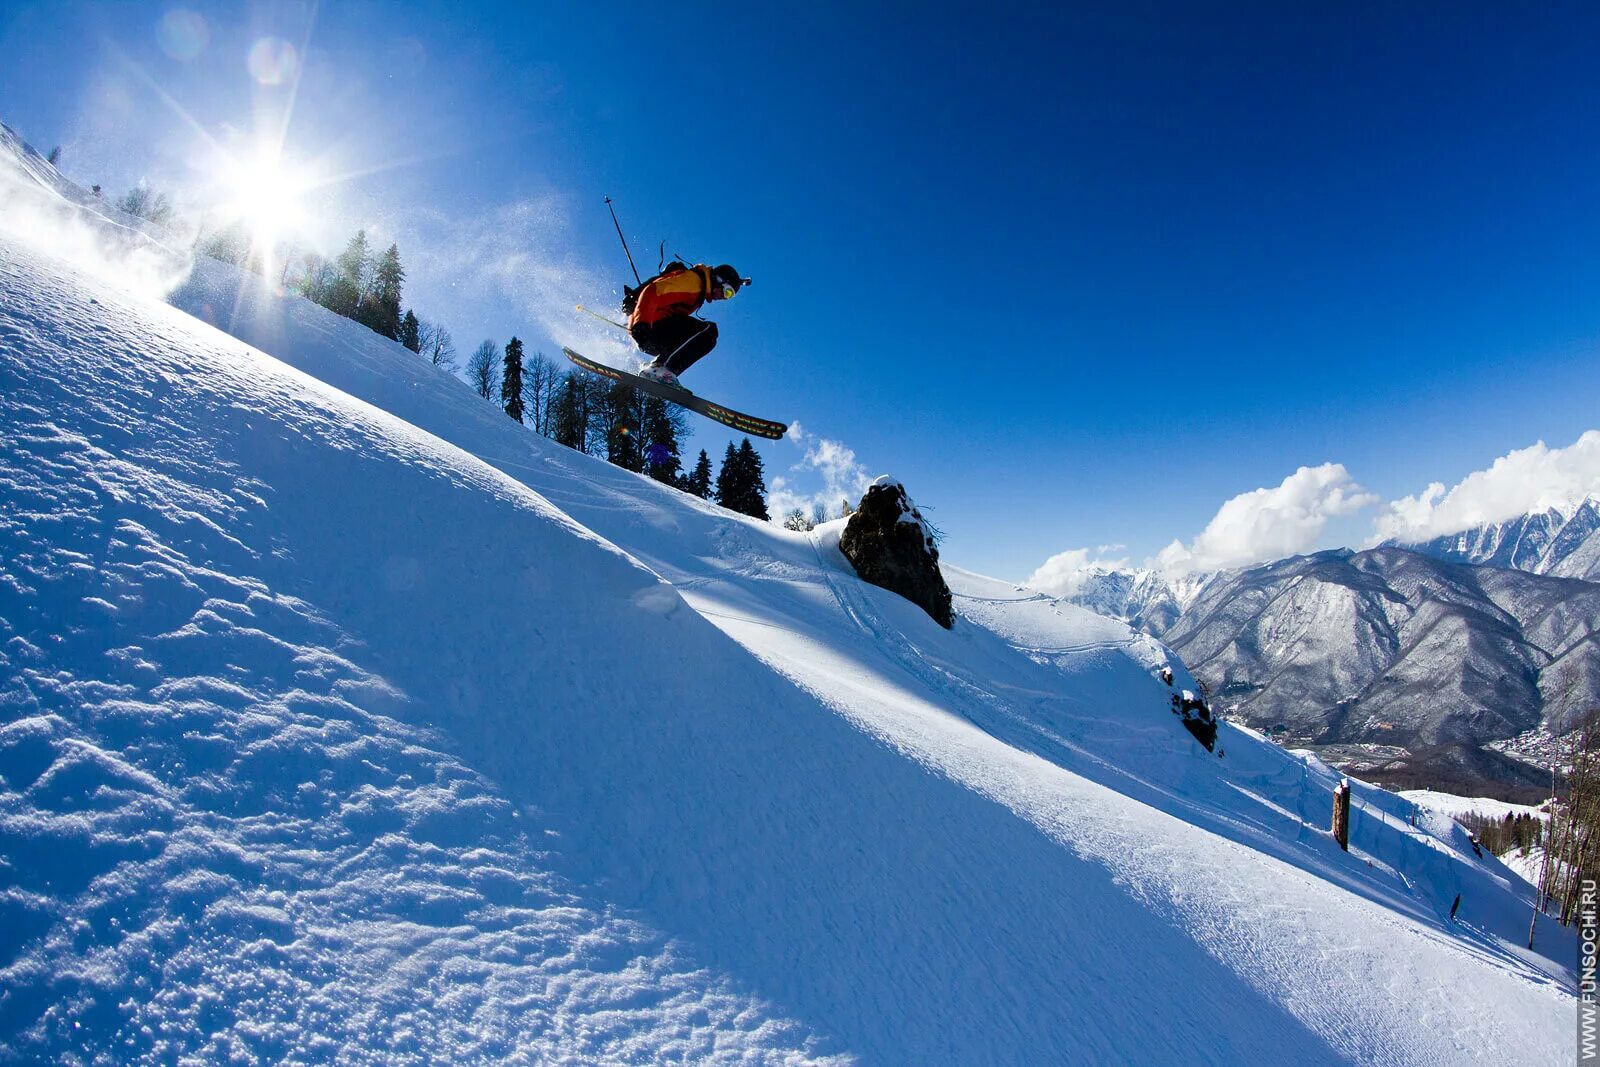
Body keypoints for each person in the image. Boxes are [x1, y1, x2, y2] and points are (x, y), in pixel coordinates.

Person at [628, 263, 748, 386]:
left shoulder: (698, 290)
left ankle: (657, 372)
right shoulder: (693, 282)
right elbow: (652, 291)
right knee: (709, 332)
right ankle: (660, 369)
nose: (724, 297)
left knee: (695, 337)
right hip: (647, 327)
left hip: (649, 330)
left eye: (729, 296)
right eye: (727, 292)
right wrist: (641, 324)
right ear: (719, 280)